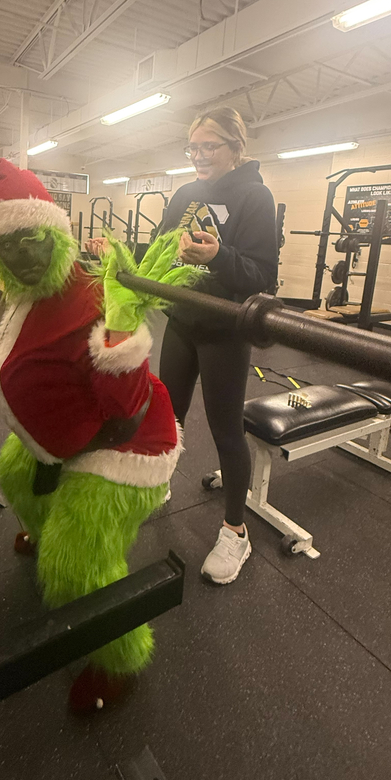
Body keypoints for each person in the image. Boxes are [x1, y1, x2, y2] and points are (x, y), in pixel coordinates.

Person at [0, 158, 199, 713]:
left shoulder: (91, 297)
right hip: (75, 434)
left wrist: (120, 332)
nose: (25, 257)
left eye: (34, 241)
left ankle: (119, 660)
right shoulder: (35, 292)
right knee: (15, 472)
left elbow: (127, 405)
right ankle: (45, 529)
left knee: (75, 566)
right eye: (10, 247)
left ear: (56, 236)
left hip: (128, 444)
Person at [158, 105, 278, 585]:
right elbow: (160, 248)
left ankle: (236, 532)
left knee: (226, 431)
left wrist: (218, 255)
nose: (199, 156)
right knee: (166, 418)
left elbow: (261, 275)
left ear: (236, 147)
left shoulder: (255, 196)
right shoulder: (185, 194)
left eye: (209, 146)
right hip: (181, 321)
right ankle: (159, 484)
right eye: (193, 147)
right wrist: (120, 254)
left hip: (224, 330)